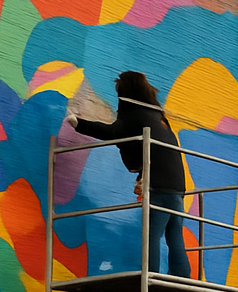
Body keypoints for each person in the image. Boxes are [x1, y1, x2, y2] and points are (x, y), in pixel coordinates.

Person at [67, 71, 191, 278]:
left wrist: (78, 123)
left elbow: (112, 132)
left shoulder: (134, 116)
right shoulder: (159, 118)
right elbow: (157, 154)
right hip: (177, 189)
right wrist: (142, 175)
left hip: (158, 188)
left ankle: (150, 275)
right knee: (174, 235)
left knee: (152, 234)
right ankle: (182, 275)